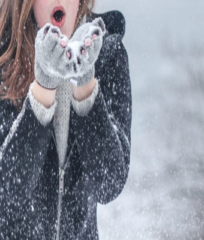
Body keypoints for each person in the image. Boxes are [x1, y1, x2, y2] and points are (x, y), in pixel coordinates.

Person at [0, 0, 131, 239]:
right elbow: (7, 191)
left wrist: (85, 85)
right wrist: (43, 88)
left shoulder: (108, 53)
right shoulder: (4, 57)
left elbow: (109, 184)